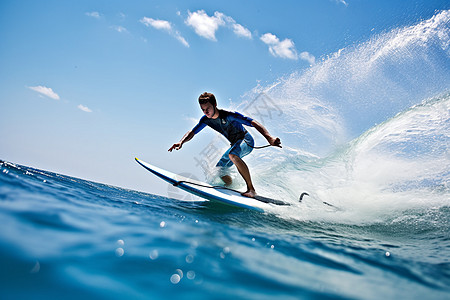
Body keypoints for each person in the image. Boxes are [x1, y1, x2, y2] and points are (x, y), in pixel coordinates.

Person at [168, 92, 281, 198]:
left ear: (215, 104)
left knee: (232, 155)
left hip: (246, 140)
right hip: (235, 144)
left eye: (208, 108)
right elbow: (192, 132)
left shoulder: (228, 115)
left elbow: (253, 122)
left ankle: (251, 190)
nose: (206, 112)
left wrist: (269, 138)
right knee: (220, 169)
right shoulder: (206, 120)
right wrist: (181, 142)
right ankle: (230, 187)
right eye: (203, 110)